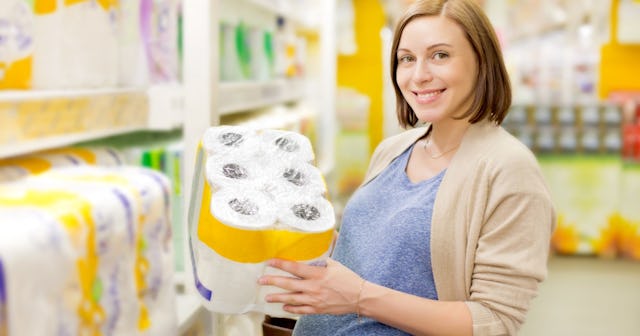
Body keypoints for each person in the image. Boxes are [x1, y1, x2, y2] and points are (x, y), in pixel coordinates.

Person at [258, 0, 556, 335]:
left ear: (482, 62)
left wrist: (358, 297)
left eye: (440, 55)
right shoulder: (393, 150)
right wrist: (318, 240)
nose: (419, 75)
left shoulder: (509, 170)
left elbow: (494, 321)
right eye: (407, 59)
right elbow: (383, 263)